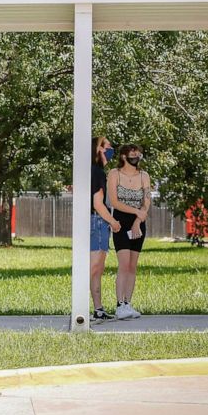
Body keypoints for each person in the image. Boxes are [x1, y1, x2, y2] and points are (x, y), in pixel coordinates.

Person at [107, 144, 150, 320]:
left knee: (133, 265)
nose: (135, 156)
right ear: (124, 156)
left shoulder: (144, 176)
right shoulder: (114, 174)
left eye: (137, 153)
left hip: (138, 224)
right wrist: (135, 213)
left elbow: (146, 202)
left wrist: (138, 221)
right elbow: (114, 202)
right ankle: (119, 305)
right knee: (123, 264)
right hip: (120, 222)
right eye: (132, 153)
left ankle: (128, 303)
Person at [89, 136, 121, 322]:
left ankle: (98, 309)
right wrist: (113, 222)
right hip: (98, 221)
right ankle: (83, 307)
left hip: (93, 221)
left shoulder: (92, 171)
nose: (111, 150)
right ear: (98, 149)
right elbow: (98, 204)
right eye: (107, 146)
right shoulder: (98, 173)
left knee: (97, 270)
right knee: (94, 268)